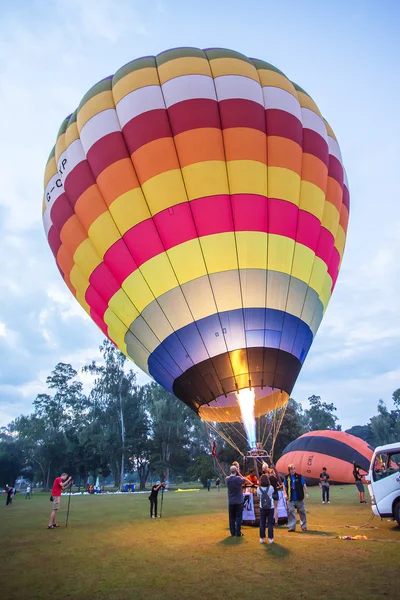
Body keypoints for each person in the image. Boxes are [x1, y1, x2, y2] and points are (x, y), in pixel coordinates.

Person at [225, 465, 249, 537]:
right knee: (238, 517)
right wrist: (239, 473)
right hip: (239, 501)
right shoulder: (238, 479)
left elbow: (227, 479)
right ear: (236, 471)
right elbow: (245, 480)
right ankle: (238, 532)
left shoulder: (227, 479)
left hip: (231, 501)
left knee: (231, 517)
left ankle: (232, 532)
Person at [284, 464, 309, 532]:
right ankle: (292, 527)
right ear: (289, 470)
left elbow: (304, 484)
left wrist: (306, 493)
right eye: (291, 469)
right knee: (291, 512)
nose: (293, 470)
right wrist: (285, 494)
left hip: (299, 497)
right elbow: (285, 486)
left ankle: (304, 526)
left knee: (302, 512)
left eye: (294, 469)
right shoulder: (287, 477)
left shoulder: (299, 476)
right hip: (291, 498)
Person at [257, 474, 275, 544]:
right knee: (270, 523)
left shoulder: (258, 489)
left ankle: (262, 538)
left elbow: (258, 495)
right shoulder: (271, 488)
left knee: (262, 523)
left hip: (262, 507)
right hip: (270, 507)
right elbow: (272, 493)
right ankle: (270, 538)